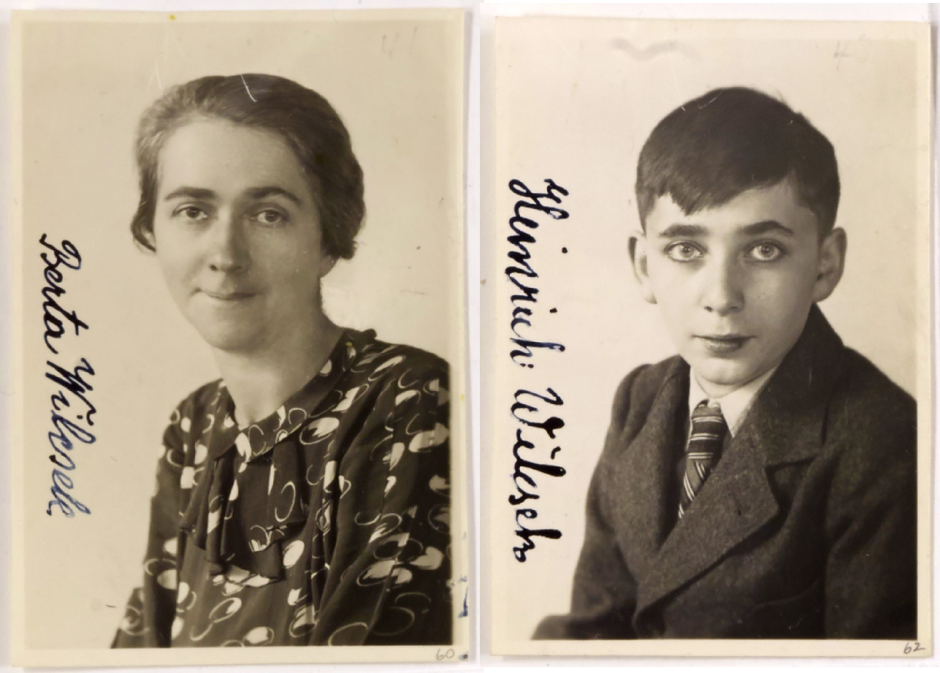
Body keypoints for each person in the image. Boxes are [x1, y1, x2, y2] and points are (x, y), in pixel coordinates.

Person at [535, 87, 916, 640]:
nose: (721, 296)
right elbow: (592, 630)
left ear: (825, 265)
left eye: (764, 250)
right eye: (686, 250)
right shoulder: (640, 400)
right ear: (644, 266)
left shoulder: (885, 445)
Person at [113, 74, 452, 647]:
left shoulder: (406, 401)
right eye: (193, 210)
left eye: (267, 214)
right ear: (153, 229)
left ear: (328, 238)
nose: (225, 255)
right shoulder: (194, 425)